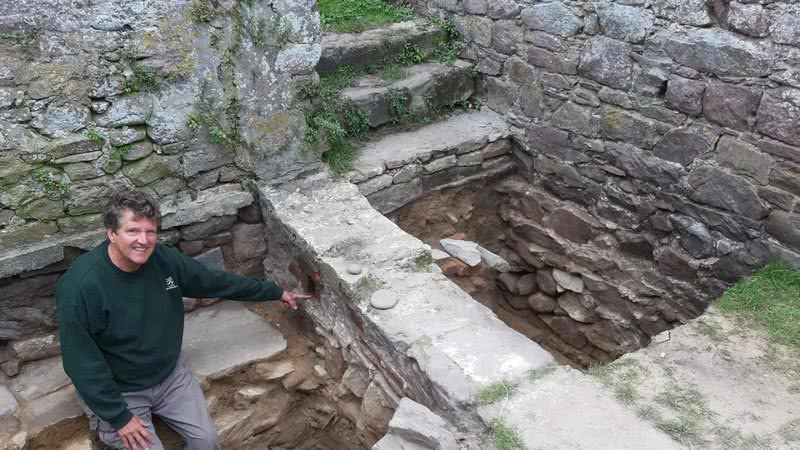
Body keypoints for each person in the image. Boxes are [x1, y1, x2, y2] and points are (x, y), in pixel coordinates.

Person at [56, 189, 312, 450]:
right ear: (111, 233)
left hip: (169, 376)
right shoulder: (82, 287)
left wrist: (274, 291)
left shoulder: (160, 259)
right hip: (121, 389)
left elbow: (211, 281)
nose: (143, 241)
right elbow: (80, 362)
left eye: (150, 232)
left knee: (207, 442)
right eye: (132, 231)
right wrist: (119, 417)